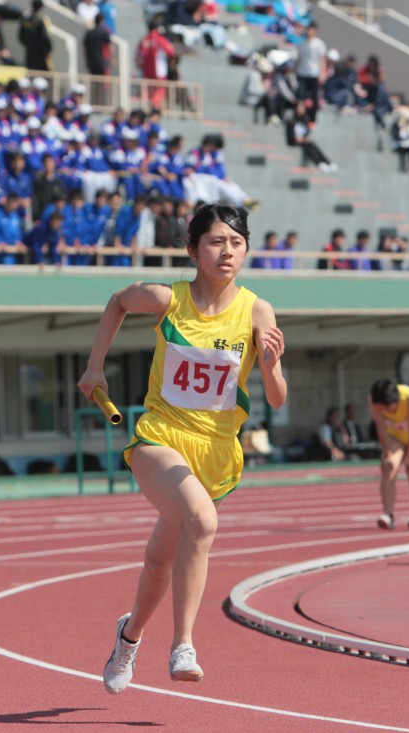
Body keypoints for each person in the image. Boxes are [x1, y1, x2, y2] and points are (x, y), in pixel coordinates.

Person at [79, 203, 287, 693]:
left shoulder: (257, 310)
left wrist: (274, 366)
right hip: (161, 436)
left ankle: (128, 638)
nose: (227, 252)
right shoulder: (168, 299)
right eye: (216, 242)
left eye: (237, 243)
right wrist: (94, 368)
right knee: (203, 522)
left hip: (217, 448)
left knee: (159, 560)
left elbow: (276, 397)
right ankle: (184, 645)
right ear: (193, 249)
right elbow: (117, 301)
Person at [368, 378, 409, 530]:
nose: (383, 412)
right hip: (396, 435)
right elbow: (381, 428)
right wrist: (388, 454)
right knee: (388, 467)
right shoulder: (374, 400)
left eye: (386, 408)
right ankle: (388, 514)